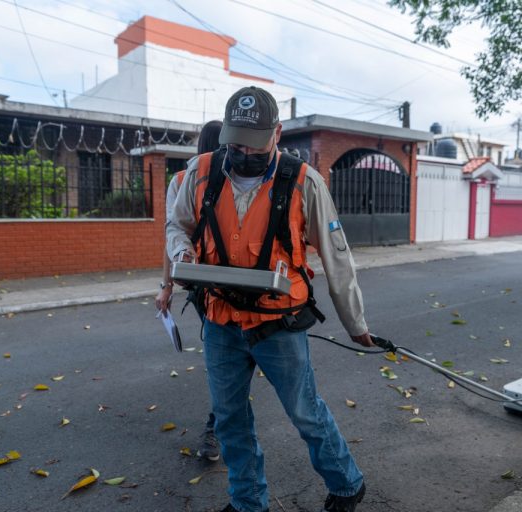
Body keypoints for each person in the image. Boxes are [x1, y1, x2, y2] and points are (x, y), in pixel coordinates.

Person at [167, 86, 373, 512]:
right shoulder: (200, 173)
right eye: (235, 139)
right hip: (221, 321)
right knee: (230, 420)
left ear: (277, 132)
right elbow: (176, 225)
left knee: (305, 413)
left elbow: (337, 258)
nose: (242, 150)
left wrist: (356, 324)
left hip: (277, 323)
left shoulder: (303, 182)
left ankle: (347, 484)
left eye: (253, 140)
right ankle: (247, 502)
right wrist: (180, 253)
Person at [156, 119, 223, 462]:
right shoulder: (186, 181)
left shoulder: (183, 179)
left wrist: (167, 286)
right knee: (224, 356)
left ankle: (221, 426)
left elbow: (170, 238)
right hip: (211, 285)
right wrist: (167, 284)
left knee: (227, 359)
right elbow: (173, 233)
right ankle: (217, 427)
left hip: (201, 284)